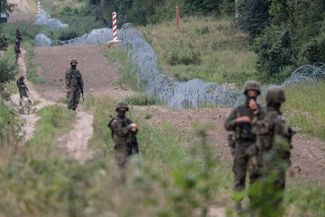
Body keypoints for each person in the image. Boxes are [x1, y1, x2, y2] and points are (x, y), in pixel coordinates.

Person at [252, 86, 294, 217]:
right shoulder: (278, 121)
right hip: (274, 165)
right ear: (280, 101)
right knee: (275, 200)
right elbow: (281, 146)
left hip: (259, 162)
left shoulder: (260, 117)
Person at [224, 80, 264, 213]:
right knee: (239, 176)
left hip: (255, 146)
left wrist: (255, 112)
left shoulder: (262, 111)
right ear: (245, 93)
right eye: (249, 93)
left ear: (257, 94)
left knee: (255, 176)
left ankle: (253, 205)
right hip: (240, 146)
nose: (251, 96)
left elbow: (268, 126)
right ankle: (238, 204)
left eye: (254, 93)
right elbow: (227, 125)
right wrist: (238, 120)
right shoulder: (238, 110)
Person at [108, 102, 139, 170]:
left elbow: (134, 131)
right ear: (118, 110)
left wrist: (135, 129)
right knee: (121, 168)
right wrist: (130, 127)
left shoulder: (127, 120)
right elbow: (120, 133)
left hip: (130, 148)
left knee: (131, 168)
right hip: (121, 148)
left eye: (124, 110)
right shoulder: (114, 122)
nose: (122, 111)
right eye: (121, 110)